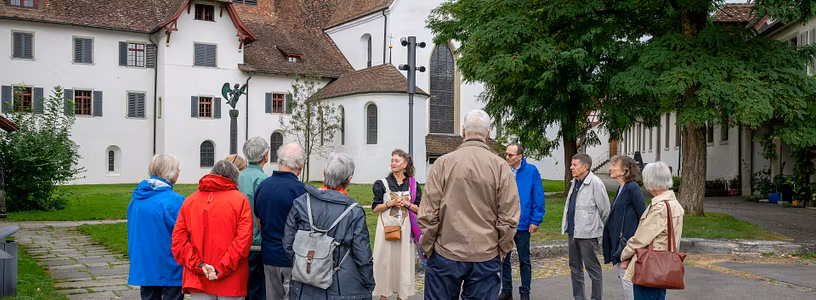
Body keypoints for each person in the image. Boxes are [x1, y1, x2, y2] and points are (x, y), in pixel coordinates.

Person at [419, 109, 520, 300]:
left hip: (445, 251)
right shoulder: (501, 167)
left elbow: (428, 213)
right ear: (488, 134)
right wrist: (503, 248)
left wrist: (428, 245)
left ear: (463, 131)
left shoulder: (442, 163)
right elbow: (509, 215)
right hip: (485, 252)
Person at [283, 153, 375, 299]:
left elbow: (288, 244)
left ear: (324, 173)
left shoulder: (301, 203)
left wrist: (304, 265)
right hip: (341, 285)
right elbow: (362, 254)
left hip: (305, 281)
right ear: (349, 179)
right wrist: (369, 282)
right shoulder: (354, 211)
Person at [172, 161, 253, 300]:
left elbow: (179, 242)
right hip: (230, 279)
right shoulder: (240, 200)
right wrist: (221, 268)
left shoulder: (190, 201)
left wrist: (199, 265)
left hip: (199, 278)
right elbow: (243, 242)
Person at [621, 162, 685, 300]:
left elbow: (641, 238)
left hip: (649, 266)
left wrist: (625, 254)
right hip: (663, 266)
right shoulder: (674, 204)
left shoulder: (659, 208)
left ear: (650, 181)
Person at [128, 154, 185, 300]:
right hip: (169, 263)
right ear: (170, 172)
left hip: (145, 263)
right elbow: (185, 233)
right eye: (177, 168)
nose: (179, 172)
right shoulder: (175, 201)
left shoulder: (137, 199)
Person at [254, 143, 307, 299]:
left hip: (269, 254)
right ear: (300, 165)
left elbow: (259, 222)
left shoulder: (262, 186)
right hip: (292, 257)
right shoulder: (300, 190)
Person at [372, 149, 422, 300]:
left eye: (397, 161)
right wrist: (391, 203)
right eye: (392, 160)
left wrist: (406, 204)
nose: (393, 163)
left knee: (403, 262)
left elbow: (418, 209)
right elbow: (375, 208)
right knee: (385, 261)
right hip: (386, 228)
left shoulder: (413, 184)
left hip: (405, 229)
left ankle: (401, 295)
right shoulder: (382, 183)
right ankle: (383, 295)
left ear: (405, 164)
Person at [499, 143, 545, 300]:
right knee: (503, 258)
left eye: (510, 155)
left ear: (520, 156)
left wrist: (536, 220)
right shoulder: (503, 170)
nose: (507, 157)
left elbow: (538, 196)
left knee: (524, 259)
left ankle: (525, 291)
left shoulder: (531, 171)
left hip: (523, 223)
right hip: (505, 223)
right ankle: (506, 290)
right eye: (506, 154)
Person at [561, 153, 610, 300]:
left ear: (585, 166)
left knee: (593, 269)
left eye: (574, 165)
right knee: (575, 269)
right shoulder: (574, 182)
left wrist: (601, 231)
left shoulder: (595, 183)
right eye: (571, 164)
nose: (571, 167)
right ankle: (579, 298)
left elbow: (605, 210)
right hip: (573, 233)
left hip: (588, 235)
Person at [603, 155, 647, 300]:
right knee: (623, 278)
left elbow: (644, 216)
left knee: (627, 280)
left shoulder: (632, 188)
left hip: (627, 244)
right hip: (620, 244)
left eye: (614, 165)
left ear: (625, 170)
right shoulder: (621, 188)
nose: (611, 168)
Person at [237, 137, 270, 300]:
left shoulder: (238, 177)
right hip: (257, 243)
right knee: (258, 291)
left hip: (238, 242)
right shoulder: (264, 181)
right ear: (266, 156)